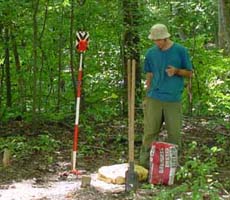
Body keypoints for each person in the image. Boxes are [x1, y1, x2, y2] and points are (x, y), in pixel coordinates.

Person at [139, 24, 193, 169]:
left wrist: (176, 71)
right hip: (154, 97)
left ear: (165, 38)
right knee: (150, 131)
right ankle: (144, 165)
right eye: (154, 40)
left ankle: (173, 166)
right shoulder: (151, 53)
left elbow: (189, 73)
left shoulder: (180, 51)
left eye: (158, 40)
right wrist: (147, 96)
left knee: (174, 134)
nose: (156, 43)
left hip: (173, 99)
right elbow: (149, 75)